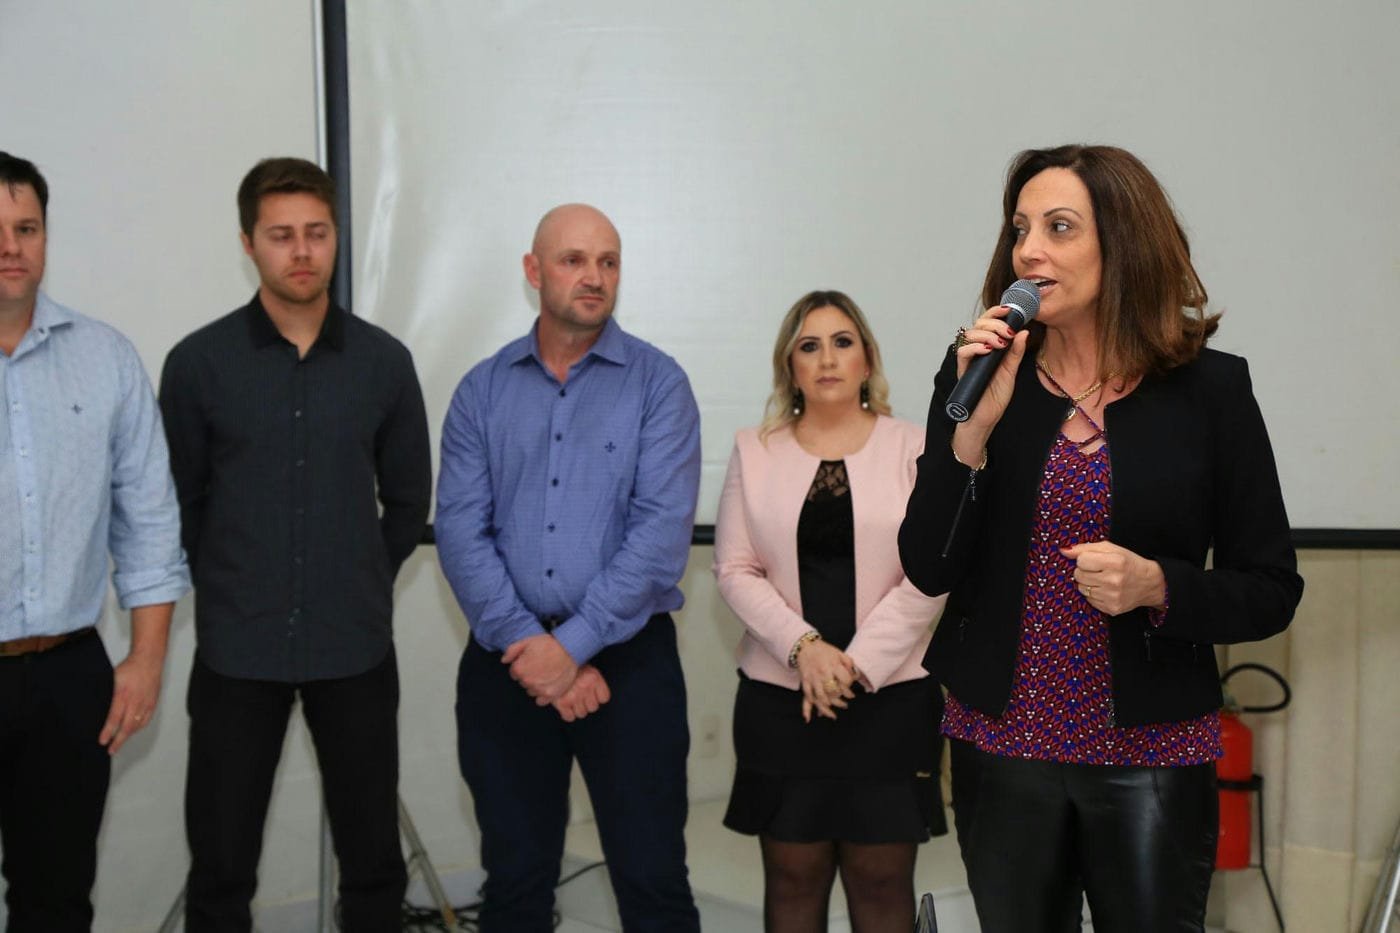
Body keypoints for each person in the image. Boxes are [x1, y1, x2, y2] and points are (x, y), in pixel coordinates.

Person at [899, 144, 1304, 933]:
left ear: (1122, 243)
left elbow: (1271, 587)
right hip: (1004, 742)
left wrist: (1159, 585)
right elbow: (927, 564)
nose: (1029, 250)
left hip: (1151, 751)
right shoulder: (979, 373)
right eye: (1020, 229)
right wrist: (969, 438)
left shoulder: (1210, 390)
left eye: (1059, 227)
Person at [159, 157, 431, 931]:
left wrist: (359, 576)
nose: (302, 251)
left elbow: (407, 500)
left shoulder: (384, 362)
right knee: (220, 866)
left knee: (373, 862)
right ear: (248, 242)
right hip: (237, 652)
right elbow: (178, 502)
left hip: (355, 648)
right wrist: (231, 580)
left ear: (337, 237)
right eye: (281, 235)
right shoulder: (198, 363)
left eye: (317, 232)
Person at [436, 203, 702, 932]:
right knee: (514, 886)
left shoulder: (658, 384)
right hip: (506, 662)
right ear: (533, 270)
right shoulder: (482, 390)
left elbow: (659, 536)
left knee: (653, 881)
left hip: (631, 663)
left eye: (608, 262)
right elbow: (460, 531)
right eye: (574, 260)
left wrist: (573, 647)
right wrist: (537, 648)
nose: (594, 276)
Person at [714, 290, 948, 932]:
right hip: (781, 700)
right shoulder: (754, 450)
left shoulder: (916, 447)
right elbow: (734, 569)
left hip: (891, 700)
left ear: (867, 359)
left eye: (842, 342)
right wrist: (806, 651)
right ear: (789, 367)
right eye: (809, 346)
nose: (826, 359)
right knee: (793, 879)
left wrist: (856, 664)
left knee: (881, 883)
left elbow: (931, 572)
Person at [0, 151, 191, 929]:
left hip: (68, 674)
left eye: (26, 227)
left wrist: (146, 659)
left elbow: (150, 523)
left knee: (54, 903)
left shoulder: (105, 357)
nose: (10, 246)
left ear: (46, 237)